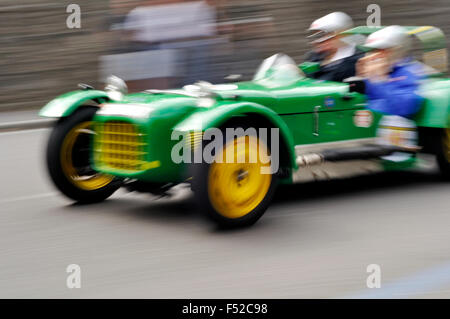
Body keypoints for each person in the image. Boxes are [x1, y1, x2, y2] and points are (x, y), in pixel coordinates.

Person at [357, 25, 425, 118]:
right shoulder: (374, 70)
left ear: (397, 51)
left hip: (396, 127)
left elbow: (404, 109)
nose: (374, 55)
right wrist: (360, 79)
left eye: (381, 50)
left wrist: (378, 79)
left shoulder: (411, 72)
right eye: (373, 51)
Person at [304, 12, 364, 82]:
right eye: (316, 37)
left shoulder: (358, 60)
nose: (318, 41)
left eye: (325, 35)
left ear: (343, 34)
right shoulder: (313, 57)